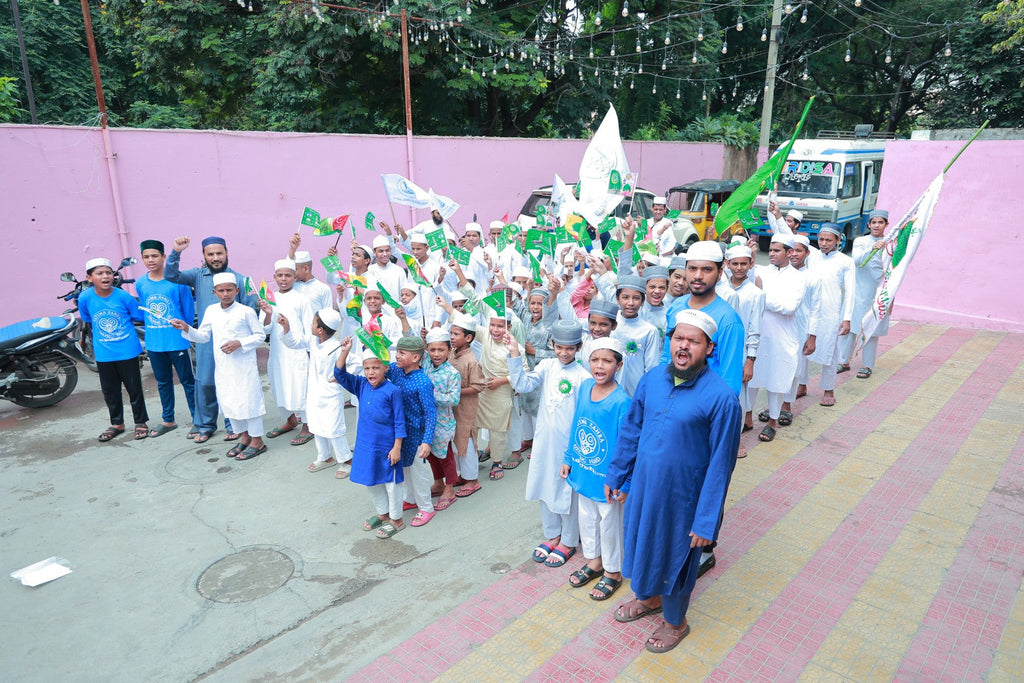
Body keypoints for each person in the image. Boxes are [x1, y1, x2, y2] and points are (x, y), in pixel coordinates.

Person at [606, 309, 741, 654]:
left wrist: (707, 520)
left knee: (677, 559)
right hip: (645, 488)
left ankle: (675, 622)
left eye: (693, 341)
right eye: (678, 338)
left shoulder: (722, 398)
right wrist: (618, 473)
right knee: (643, 544)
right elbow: (632, 429)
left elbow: (721, 466)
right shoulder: (652, 379)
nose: (684, 346)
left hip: (685, 500)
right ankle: (649, 599)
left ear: (709, 348)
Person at [507, 320, 590, 568]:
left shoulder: (583, 377)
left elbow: (583, 417)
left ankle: (568, 540)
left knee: (567, 492)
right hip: (544, 442)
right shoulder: (547, 365)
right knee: (545, 486)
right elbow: (522, 384)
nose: (564, 352)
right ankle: (552, 534)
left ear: (579, 347)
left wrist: (574, 451)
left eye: (570, 348)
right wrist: (514, 353)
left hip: (568, 446)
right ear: (552, 344)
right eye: (559, 346)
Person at [165, 235, 257, 443]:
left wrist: (241, 342)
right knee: (205, 382)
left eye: (219, 253)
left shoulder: (240, 280)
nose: (216, 258)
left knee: (233, 383)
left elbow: (251, 314)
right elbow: (170, 275)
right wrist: (176, 252)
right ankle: (205, 425)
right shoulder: (198, 275)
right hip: (206, 340)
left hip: (232, 345)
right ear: (204, 256)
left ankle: (233, 424)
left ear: (227, 253)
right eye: (211, 254)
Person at [562, 337, 632, 601]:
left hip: (608, 480)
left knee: (609, 525)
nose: (599, 366)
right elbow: (577, 423)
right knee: (587, 520)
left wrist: (623, 483)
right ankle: (594, 561)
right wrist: (569, 457)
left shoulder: (622, 402)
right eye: (595, 360)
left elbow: (628, 447)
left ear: (619, 365)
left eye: (607, 361)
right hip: (583, 470)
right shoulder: (585, 386)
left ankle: (613, 571)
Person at [170, 273, 267, 460]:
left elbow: (260, 335)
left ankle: (257, 440)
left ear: (237, 290)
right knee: (231, 400)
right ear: (214, 292)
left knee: (248, 401)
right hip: (223, 366)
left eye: (229, 290)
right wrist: (186, 328)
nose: (225, 294)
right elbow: (204, 336)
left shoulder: (245, 311)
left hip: (244, 366)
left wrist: (239, 342)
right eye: (221, 290)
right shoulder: (211, 311)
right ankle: (245, 437)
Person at [333, 341, 407, 539]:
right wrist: (345, 351)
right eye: (367, 368)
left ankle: (397, 519)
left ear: (385, 367)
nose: (371, 372)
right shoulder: (361, 385)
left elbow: (400, 422)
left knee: (392, 484)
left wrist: (397, 447)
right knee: (371, 481)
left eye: (375, 368)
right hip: (366, 445)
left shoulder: (392, 391)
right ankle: (382, 513)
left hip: (387, 447)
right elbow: (340, 374)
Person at [661, 241, 746, 396]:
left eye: (707, 269)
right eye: (692, 268)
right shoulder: (676, 307)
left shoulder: (728, 320)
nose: (698, 276)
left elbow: (730, 381)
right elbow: (666, 357)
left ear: (720, 272)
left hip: (704, 405)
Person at [79, 257, 150, 442]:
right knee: (110, 390)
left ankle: (140, 421)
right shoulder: (85, 297)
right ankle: (117, 423)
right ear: (89, 277)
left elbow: (137, 315)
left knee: (134, 388)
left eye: (108, 272)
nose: (105, 276)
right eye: (100, 273)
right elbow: (87, 317)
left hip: (127, 350)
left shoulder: (122, 296)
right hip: (104, 352)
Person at [279, 307, 351, 476]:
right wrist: (286, 328)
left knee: (334, 427)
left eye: (313, 322)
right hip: (313, 392)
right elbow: (294, 343)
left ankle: (346, 459)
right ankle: (325, 457)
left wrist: (341, 376)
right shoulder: (313, 341)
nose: (310, 324)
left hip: (330, 394)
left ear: (320, 329)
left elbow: (352, 364)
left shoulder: (336, 346)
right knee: (316, 424)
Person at [136, 239, 196, 437]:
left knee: (188, 381)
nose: (150, 260)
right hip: (155, 342)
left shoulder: (177, 281)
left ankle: (198, 419)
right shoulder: (141, 283)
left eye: (155, 256)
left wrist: (185, 332)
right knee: (163, 382)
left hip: (177, 340)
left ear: (163, 257)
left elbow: (187, 311)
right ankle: (168, 419)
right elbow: (146, 309)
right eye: (146, 257)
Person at [749, 235, 806, 442]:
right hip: (759, 334)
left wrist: (762, 295)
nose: (771, 253)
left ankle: (773, 422)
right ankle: (747, 419)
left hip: (782, 338)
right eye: (770, 250)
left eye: (776, 250)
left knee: (776, 381)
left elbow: (789, 307)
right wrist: (751, 255)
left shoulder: (798, 278)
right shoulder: (761, 271)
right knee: (752, 380)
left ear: (789, 253)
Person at [386, 336, 438, 528]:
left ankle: (426, 507)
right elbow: (382, 365)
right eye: (397, 352)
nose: (397, 356)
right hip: (400, 432)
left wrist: (427, 441)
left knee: (418, 472)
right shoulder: (396, 371)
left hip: (417, 434)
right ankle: (410, 499)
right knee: (405, 468)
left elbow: (431, 412)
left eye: (402, 353)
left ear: (416, 357)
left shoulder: (423, 382)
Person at [262, 259, 315, 445]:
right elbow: (265, 330)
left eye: (288, 275)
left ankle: (308, 425)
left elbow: (310, 330)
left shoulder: (302, 300)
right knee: (280, 386)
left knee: (301, 387)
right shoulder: (269, 299)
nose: (284, 279)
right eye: (280, 275)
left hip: (298, 352)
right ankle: (290, 419)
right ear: (274, 277)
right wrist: (268, 312)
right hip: (277, 352)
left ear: (295, 276)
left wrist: (310, 352)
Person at [803, 223, 854, 407]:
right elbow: (786, 234)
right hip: (809, 311)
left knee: (830, 352)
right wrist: (776, 214)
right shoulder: (812, 255)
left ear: (838, 240)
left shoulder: (845, 262)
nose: (823, 243)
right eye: (821, 239)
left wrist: (846, 318)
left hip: (831, 313)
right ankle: (802, 384)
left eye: (828, 240)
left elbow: (850, 292)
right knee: (804, 348)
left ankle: (828, 389)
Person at [717, 245, 764, 434]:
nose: (738, 268)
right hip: (717, 349)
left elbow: (755, 329)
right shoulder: (719, 289)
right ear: (727, 264)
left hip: (740, 352)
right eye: (734, 263)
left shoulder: (756, 294)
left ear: (751, 264)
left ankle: (736, 440)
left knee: (738, 397)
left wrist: (750, 361)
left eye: (743, 264)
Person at [846, 209, 890, 378]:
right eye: (874, 222)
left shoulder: (891, 242)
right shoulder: (861, 241)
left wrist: (890, 297)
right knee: (851, 328)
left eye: (881, 222)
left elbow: (894, 269)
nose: (877, 225)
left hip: (879, 294)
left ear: (886, 224)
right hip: (859, 293)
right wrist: (872, 248)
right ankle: (844, 361)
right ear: (869, 224)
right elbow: (857, 261)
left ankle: (867, 365)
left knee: (872, 330)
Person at [448, 313, 487, 497]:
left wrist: (456, 392)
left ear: (468, 338)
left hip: (466, 408)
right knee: (456, 440)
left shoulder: (471, 360)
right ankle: (464, 475)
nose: (452, 337)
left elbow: (479, 385)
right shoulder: (452, 354)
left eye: (456, 334)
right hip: (453, 408)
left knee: (467, 441)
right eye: (451, 333)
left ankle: (473, 480)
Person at [423, 328, 462, 511]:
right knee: (430, 455)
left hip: (443, 422)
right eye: (432, 350)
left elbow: (454, 399)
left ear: (449, 350)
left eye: (441, 350)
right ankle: (438, 482)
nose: (436, 354)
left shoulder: (452, 373)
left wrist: (430, 394)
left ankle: (449, 488)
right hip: (425, 421)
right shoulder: (425, 365)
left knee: (445, 456)